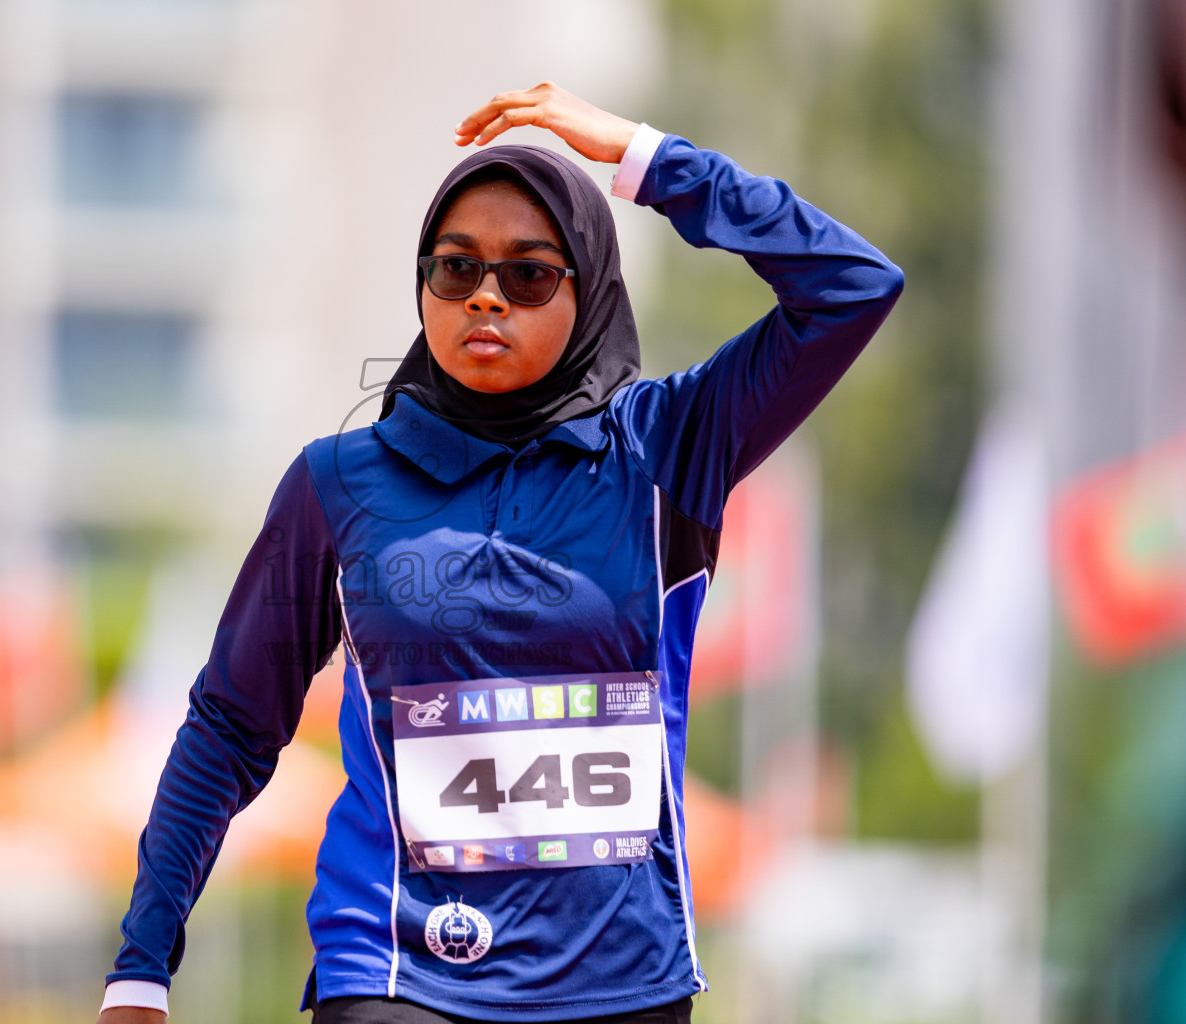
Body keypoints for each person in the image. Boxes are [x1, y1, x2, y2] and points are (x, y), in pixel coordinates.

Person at [97, 83, 904, 1024]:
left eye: (528, 275)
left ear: (589, 288)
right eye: (455, 269)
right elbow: (230, 725)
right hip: (395, 971)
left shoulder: (669, 448)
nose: (486, 294)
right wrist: (141, 966)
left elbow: (853, 286)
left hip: (622, 984)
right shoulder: (338, 483)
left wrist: (645, 159)